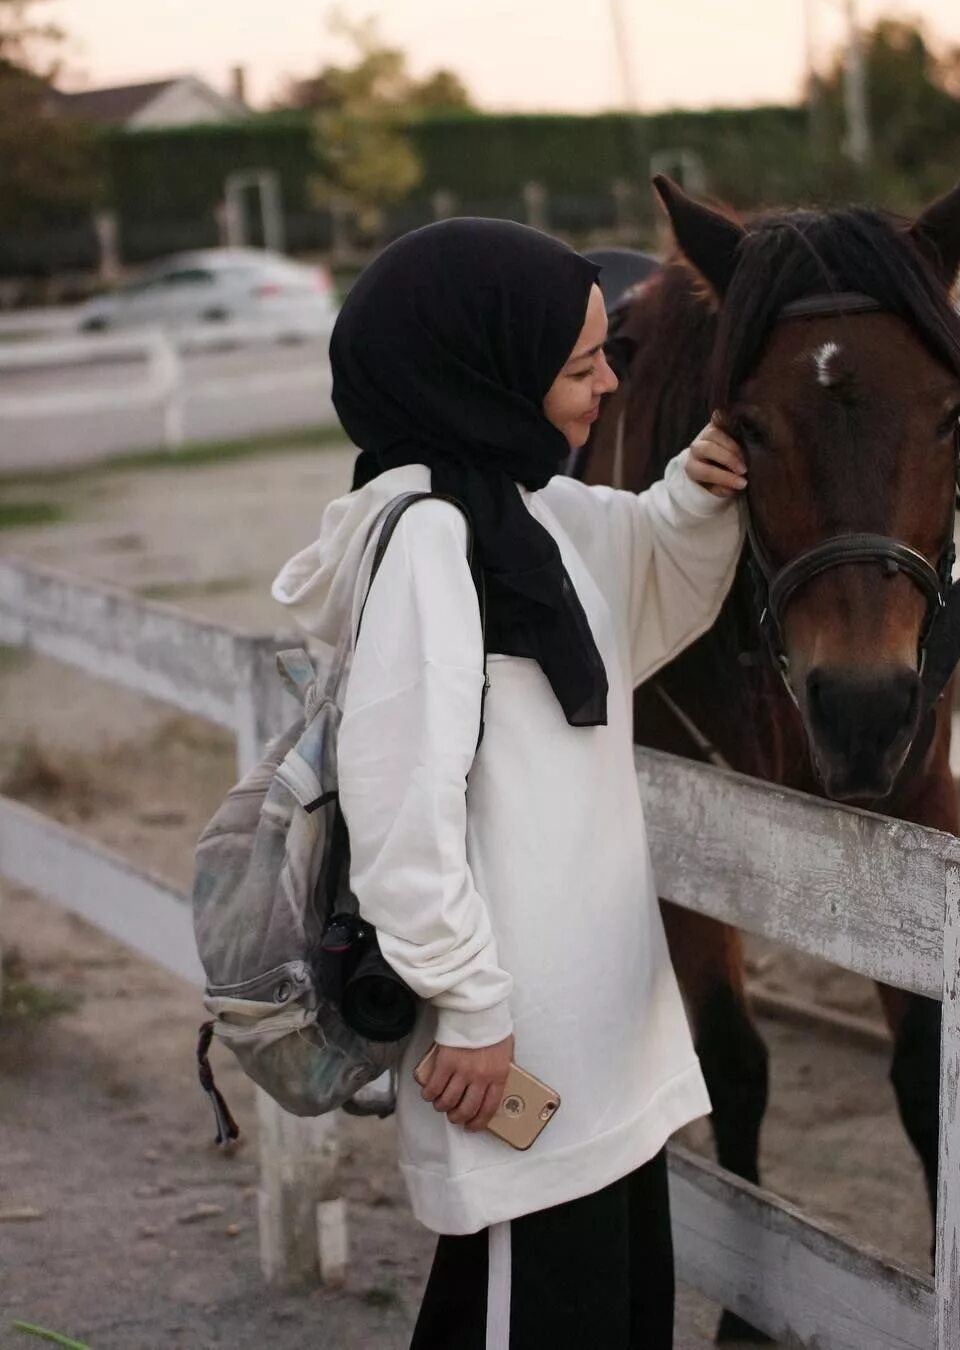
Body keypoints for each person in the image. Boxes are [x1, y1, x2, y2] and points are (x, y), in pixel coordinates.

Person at [271, 218, 748, 1350]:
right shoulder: (433, 538)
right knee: (527, 1316)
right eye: (580, 363)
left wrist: (699, 488)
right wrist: (472, 1005)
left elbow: (639, 576)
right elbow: (398, 806)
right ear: (481, 367)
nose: (608, 381)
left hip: (592, 1029)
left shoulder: (530, 512)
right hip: (513, 1041)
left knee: (605, 1311)